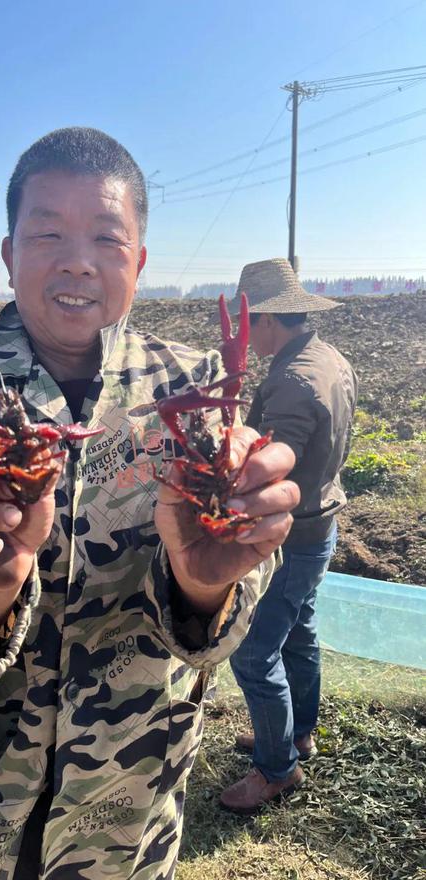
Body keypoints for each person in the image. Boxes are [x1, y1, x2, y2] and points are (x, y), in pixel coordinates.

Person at [0, 130, 299, 880]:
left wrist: (205, 584)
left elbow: (235, 604)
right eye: (47, 234)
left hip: (129, 806)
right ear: (9, 254)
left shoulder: (198, 388)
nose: (77, 260)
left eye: (107, 238)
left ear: (141, 261)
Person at [221, 258, 358, 814]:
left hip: (292, 536)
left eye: (247, 322)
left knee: (253, 653)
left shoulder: (292, 380)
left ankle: (277, 770)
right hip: (321, 523)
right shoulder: (329, 358)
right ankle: (297, 733)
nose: (244, 335)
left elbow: (280, 458)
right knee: (299, 633)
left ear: (268, 319)